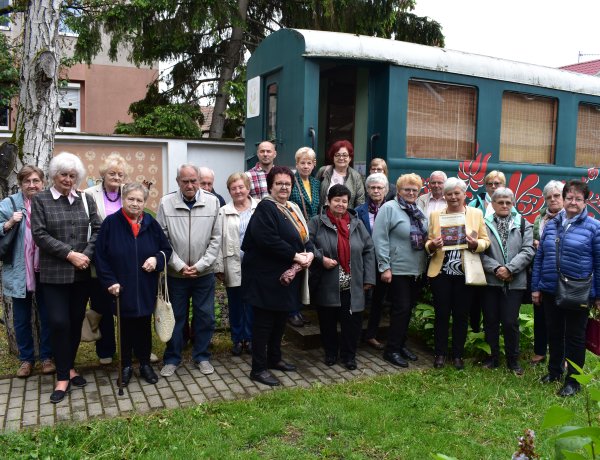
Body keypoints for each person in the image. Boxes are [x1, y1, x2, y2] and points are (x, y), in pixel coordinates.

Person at [31, 152, 102, 404]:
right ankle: (62, 377)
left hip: (81, 274)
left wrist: (85, 256)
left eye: (73, 175)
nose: (68, 179)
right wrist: (70, 254)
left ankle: (69, 368)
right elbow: (39, 234)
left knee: (74, 322)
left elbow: (98, 229)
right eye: (64, 174)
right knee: (59, 323)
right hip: (54, 275)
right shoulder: (41, 200)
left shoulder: (85, 199)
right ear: (53, 175)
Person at [241, 166, 314, 386]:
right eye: (279, 183)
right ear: (270, 186)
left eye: (288, 184)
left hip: (286, 278)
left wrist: (310, 251)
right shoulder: (266, 208)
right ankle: (258, 368)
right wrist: (296, 255)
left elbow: (304, 235)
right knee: (264, 324)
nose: (284, 187)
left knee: (280, 321)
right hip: (266, 278)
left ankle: (275, 359)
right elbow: (267, 239)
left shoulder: (291, 208)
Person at [94, 183, 172, 385]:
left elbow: (166, 249)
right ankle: (126, 365)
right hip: (121, 286)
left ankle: (145, 364)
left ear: (144, 202)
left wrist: (156, 259)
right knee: (125, 327)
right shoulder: (111, 223)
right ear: (123, 199)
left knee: (144, 326)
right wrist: (110, 281)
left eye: (139, 200)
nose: (135, 203)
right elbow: (100, 256)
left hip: (146, 286)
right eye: (131, 199)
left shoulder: (151, 223)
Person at [532, 179, 600, 397]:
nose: (573, 202)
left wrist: (598, 295)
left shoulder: (594, 228)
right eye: (569, 197)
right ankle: (554, 372)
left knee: (575, 337)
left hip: (577, 291)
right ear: (563, 199)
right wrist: (536, 287)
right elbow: (540, 257)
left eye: (578, 199)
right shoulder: (552, 224)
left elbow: (599, 263)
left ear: (585, 202)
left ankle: (573, 381)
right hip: (551, 288)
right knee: (554, 333)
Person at [156, 164, 222, 378]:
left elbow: (216, 239)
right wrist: (179, 265)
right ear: (178, 182)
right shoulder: (166, 203)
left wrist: (201, 265)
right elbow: (162, 238)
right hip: (177, 275)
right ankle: (172, 358)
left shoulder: (212, 203)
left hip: (204, 274)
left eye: (194, 180)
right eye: (185, 181)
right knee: (176, 318)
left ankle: (201, 356)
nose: (190, 185)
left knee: (205, 316)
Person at [425, 177, 490, 370]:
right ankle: (440, 354)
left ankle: (458, 355)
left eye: (456, 193)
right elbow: (428, 243)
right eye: (449, 194)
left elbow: (486, 241)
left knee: (461, 315)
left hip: (465, 273)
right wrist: (432, 245)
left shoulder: (476, 214)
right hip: (441, 273)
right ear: (444, 196)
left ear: (464, 194)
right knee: (441, 314)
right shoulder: (436, 215)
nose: (453, 197)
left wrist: (475, 244)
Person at [309, 184, 375, 369]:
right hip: (327, 282)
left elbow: (369, 249)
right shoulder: (317, 222)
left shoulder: (356, 222)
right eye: (336, 200)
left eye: (344, 201)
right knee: (327, 322)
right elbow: (307, 244)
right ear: (328, 201)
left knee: (352, 324)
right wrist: (321, 259)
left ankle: (349, 356)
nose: (340, 204)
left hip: (352, 285)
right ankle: (330, 353)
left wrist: (369, 278)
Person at [0, 165, 54, 378]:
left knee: (47, 314)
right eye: (27, 181)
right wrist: (9, 222)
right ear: (20, 184)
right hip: (19, 269)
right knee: (21, 318)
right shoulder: (9, 203)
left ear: (43, 183)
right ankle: (26, 360)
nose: (32, 185)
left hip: (46, 268)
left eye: (36, 181)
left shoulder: (49, 202)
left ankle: (47, 357)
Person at [373, 173, 428, 367]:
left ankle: (402, 345)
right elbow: (379, 239)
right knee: (401, 309)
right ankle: (392, 350)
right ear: (399, 190)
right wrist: (385, 266)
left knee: (408, 310)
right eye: (407, 189)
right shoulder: (389, 208)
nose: (411, 192)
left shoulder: (418, 209)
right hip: (397, 269)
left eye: (415, 190)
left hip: (417, 270)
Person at [480, 188, 535, 375]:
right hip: (491, 281)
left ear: (513, 204)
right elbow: (479, 253)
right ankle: (492, 357)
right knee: (490, 320)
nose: (504, 205)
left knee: (510, 322)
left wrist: (510, 269)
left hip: (515, 282)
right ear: (492, 204)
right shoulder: (483, 224)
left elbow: (528, 250)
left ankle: (513, 360)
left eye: (508, 202)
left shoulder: (523, 224)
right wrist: (496, 269)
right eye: (500, 202)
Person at [84, 153, 128, 365]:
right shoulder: (89, 194)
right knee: (102, 305)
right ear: (103, 174)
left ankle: (134, 349)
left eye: (120, 174)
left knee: (128, 305)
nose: (116, 177)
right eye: (112, 173)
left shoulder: (129, 193)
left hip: (125, 260)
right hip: (98, 260)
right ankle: (106, 350)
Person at [215, 173, 259, 356]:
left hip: (255, 265)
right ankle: (236, 339)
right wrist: (218, 267)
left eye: (241, 187)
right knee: (235, 303)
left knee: (252, 304)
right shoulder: (223, 211)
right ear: (229, 191)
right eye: (234, 188)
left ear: (248, 188)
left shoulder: (260, 207)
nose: (238, 191)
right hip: (232, 264)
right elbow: (216, 240)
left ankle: (249, 339)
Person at [467, 170, 506, 333]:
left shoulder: (507, 203)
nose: (493, 187)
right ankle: (475, 331)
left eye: (497, 183)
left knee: (494, 299)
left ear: (503, 185)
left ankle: (495, 332)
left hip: (497, 257)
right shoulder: (475, 204)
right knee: (475, 297)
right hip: (476, 255)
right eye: (490, 184)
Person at [530, 180, 564, 365]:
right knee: (540, 313)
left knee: (563, 317)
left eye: (556, 196)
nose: (552, 200)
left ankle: (562, 355)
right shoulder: (539, 219)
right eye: (548, 197)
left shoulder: (571, 217)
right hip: (543, 271)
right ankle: (540, 351)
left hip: (566, 275)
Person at [356, 172, 390, 350]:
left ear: (385, 190)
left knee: (378, 300)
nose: (376, 191)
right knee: (360, 299)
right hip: (364, 262)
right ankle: (354, 335)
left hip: (385, 262)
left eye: (379, 188)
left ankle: (371, 335)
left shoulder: (392, 209)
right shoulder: (358, 211)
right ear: (367, 190)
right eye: (372, 187)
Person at [288, 146, 320, 327]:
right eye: (302, 163)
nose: (306, 166)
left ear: (314, 164)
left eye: (309, 163)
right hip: (295, 230)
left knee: (307, 270)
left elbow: (319, 206)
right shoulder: (292, 181)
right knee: (295, 270)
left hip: (312, 232)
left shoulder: (316, 183)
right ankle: (292, 311)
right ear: (297, 164)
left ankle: (299, 309)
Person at [316, 140, 365, 210]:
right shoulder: (323, 171)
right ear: (333, 157)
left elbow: (360, 202)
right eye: (337, 155)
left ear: (350, 158)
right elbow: (314, 195)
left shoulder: (356, 176)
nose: (341, 158)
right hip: (324, 216)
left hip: (346, 218)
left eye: (345, 155)